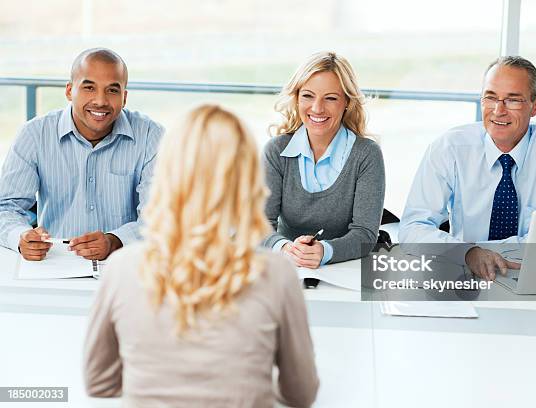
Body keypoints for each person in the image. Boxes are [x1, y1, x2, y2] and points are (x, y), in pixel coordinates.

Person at [84, 105, 319, 407]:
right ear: (246, 180)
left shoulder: (122, 268)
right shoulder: (276, 274)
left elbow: (99, 383)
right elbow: (300, 394)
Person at [399, 56, 536, 280]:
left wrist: (488, 251)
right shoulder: (449, 148)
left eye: (513, 100)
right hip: (466, 272)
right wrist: (468, 252)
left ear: (535, 106)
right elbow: (412, 228)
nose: (498, 110)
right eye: (490, 98)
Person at [0, 47, 163, 261]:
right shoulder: (35, 134)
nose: (100, 101)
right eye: (89, 88)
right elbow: (6, 207)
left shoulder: (152, 136)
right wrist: (20, 236)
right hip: (53, 262)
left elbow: (160, 216)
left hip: (126, 263)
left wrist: (114, 240)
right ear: (69, 91)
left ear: (124, 97)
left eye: (112, 90)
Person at [262, 51, 385, 268]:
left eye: (330, 98)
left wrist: (325, 251)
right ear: (297, 98)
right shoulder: (276, 151)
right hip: (286, 267)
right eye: (308, 96)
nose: (317, 108)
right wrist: (285, 248)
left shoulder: (367, 154)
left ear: (346, 102)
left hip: (345, 269)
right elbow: (258, 225)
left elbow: (365, 234)